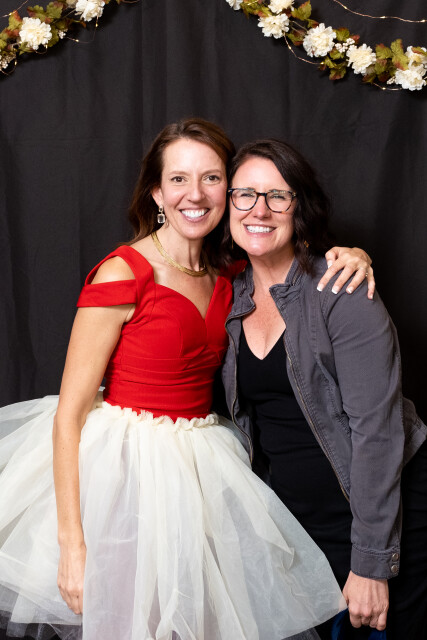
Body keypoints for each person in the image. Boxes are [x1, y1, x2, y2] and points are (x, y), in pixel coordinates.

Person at [0, 119, 373, 640]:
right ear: (156, 193)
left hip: (204, 468)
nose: (194, 194)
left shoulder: (232, 273)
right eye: (178, 179)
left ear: (230, 190)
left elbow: (294, 261)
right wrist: (72, 544)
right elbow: (69, 415)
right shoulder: (123, 272)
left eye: (211, 178)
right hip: (126, 473)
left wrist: (354, 254)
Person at [221, 138, 427, 640]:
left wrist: (372, 562)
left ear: (300, 207)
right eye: (245, 194)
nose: (259, 210)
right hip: (298, 530)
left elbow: (378, 432)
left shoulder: (341, 290)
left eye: (278, 196)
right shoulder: (230, 295)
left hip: (378, 520)